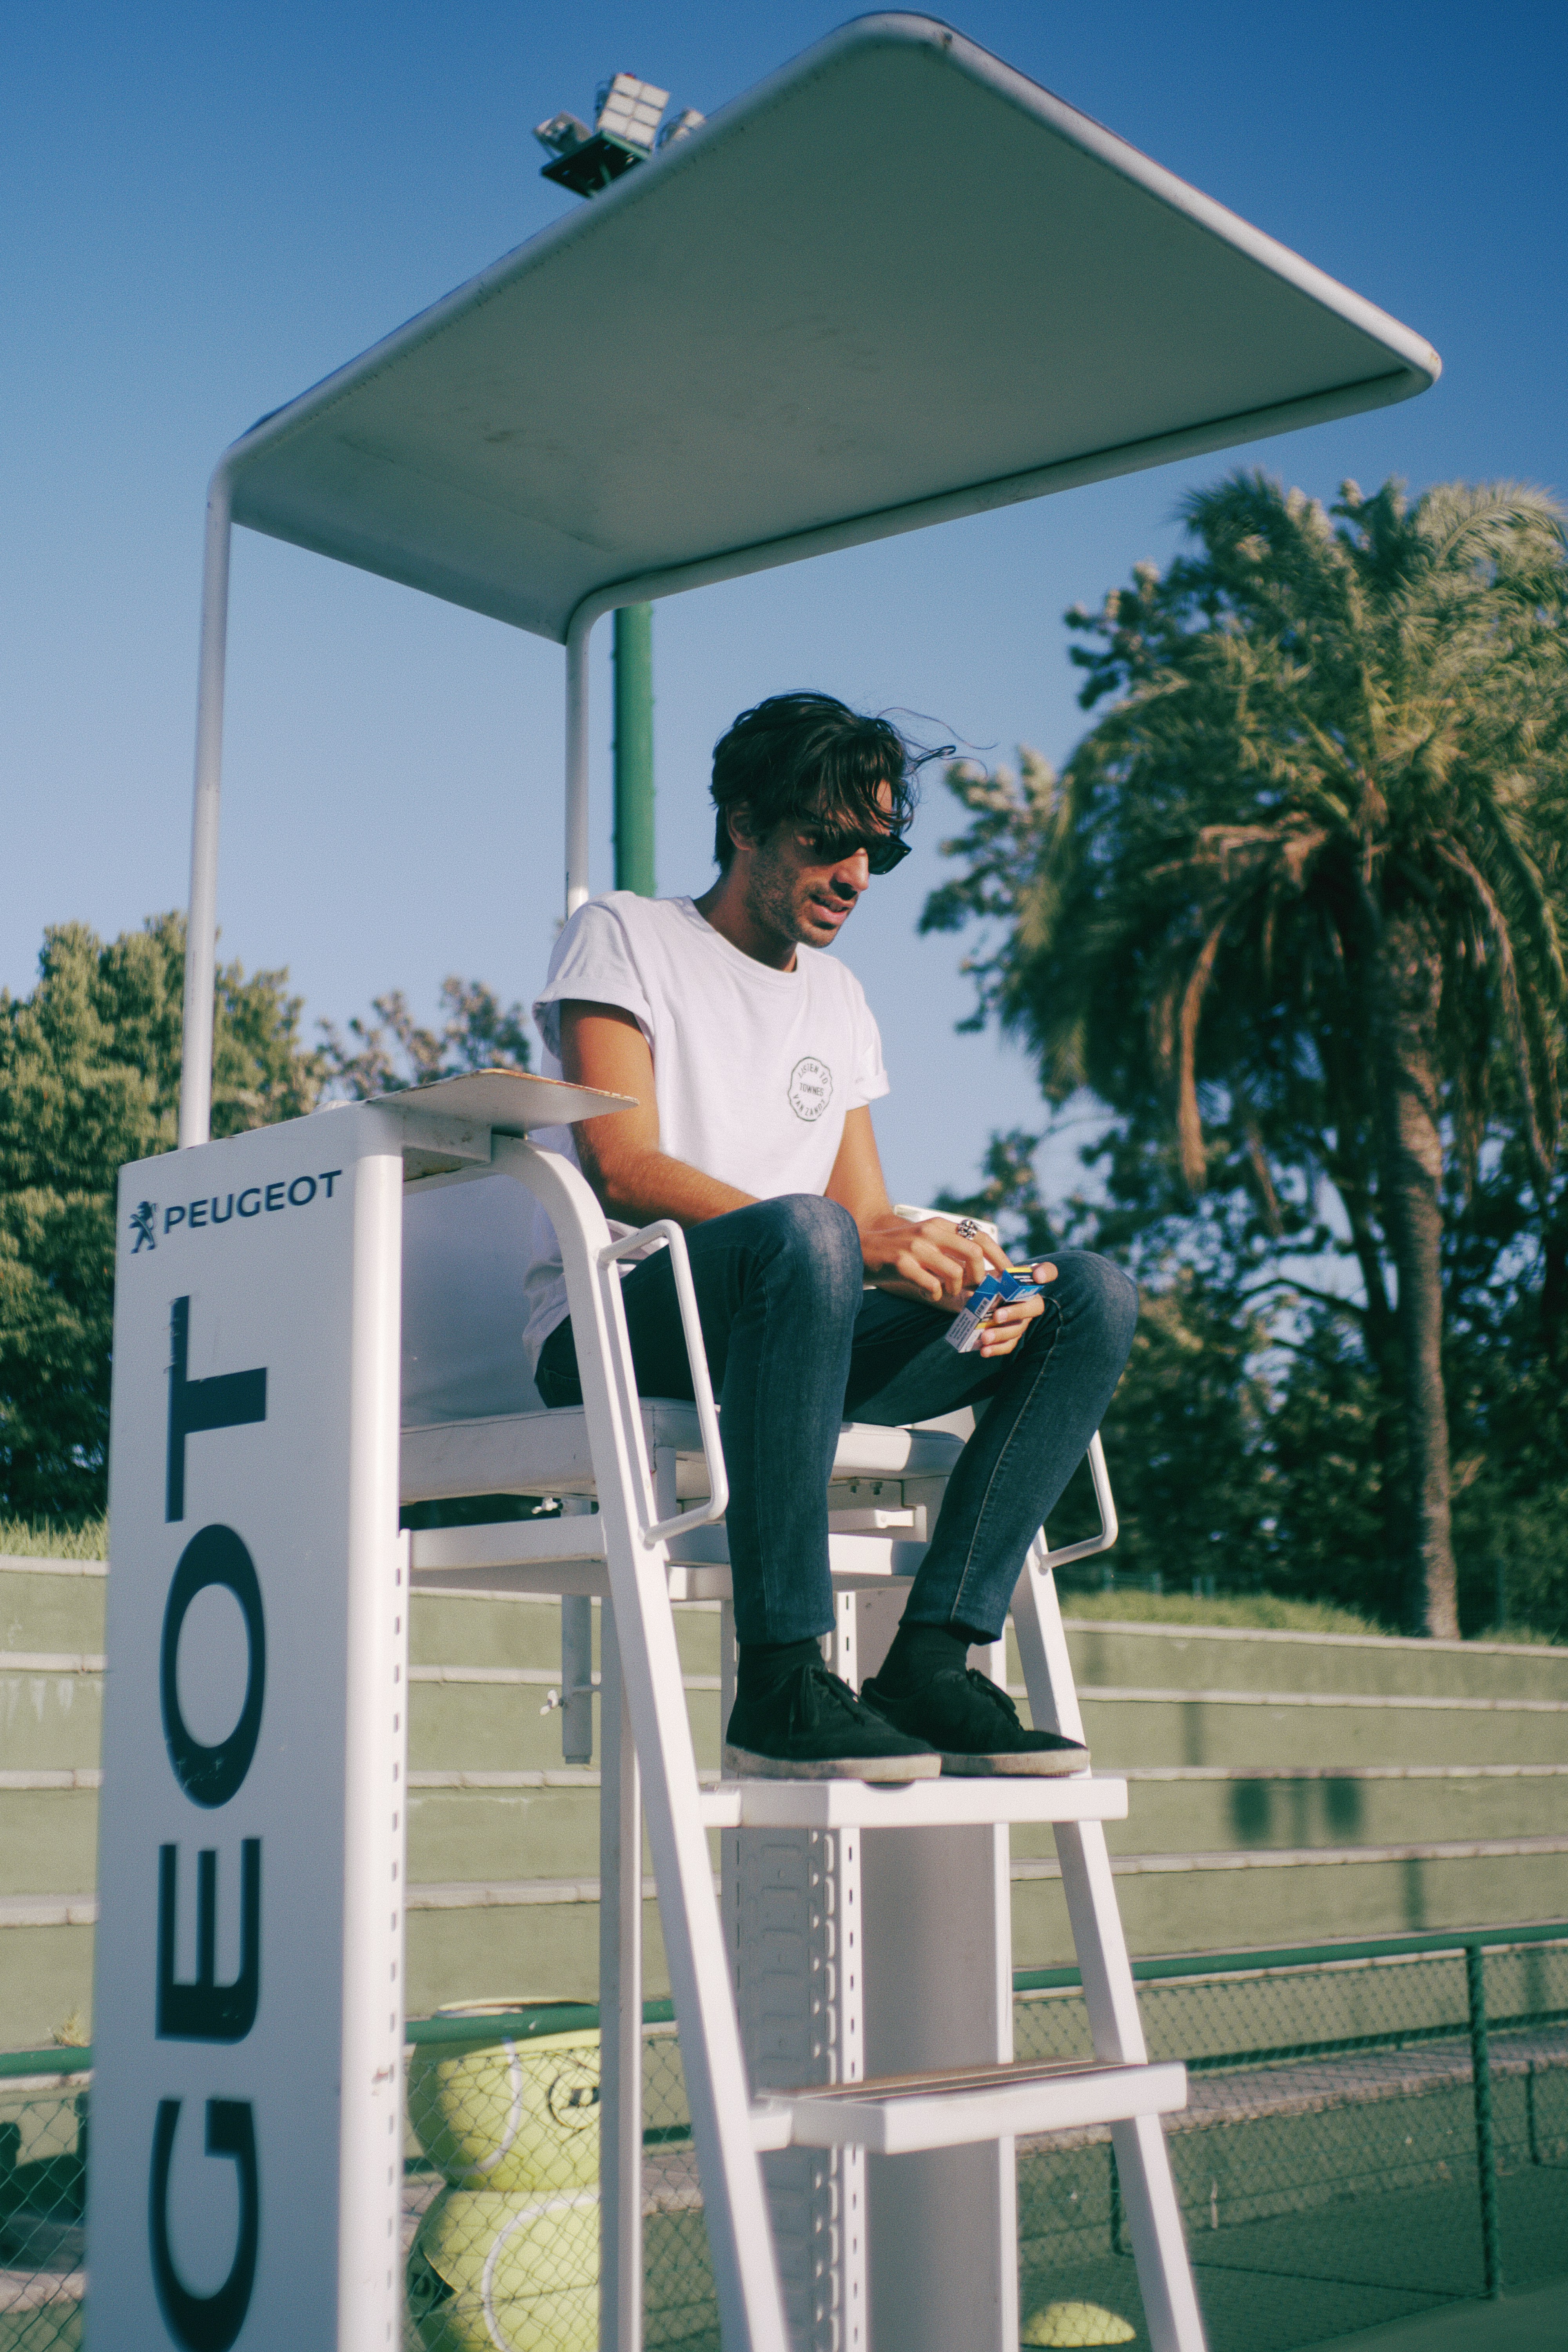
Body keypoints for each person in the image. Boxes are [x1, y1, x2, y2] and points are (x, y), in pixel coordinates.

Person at [520, 693, 1136, 1781]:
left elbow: (868, 1221)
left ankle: (936, 1661)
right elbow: (621, 1167)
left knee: (1087, 1293)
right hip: (623, 1319)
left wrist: (954, 1274)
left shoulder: (842, 998)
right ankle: (782, 1682)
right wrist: (853, 1242)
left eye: (877, 853)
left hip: (796, 1318)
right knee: (808, 1237)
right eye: (828, 841)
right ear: (744, 820)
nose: (855, 874)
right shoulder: (625, 934)